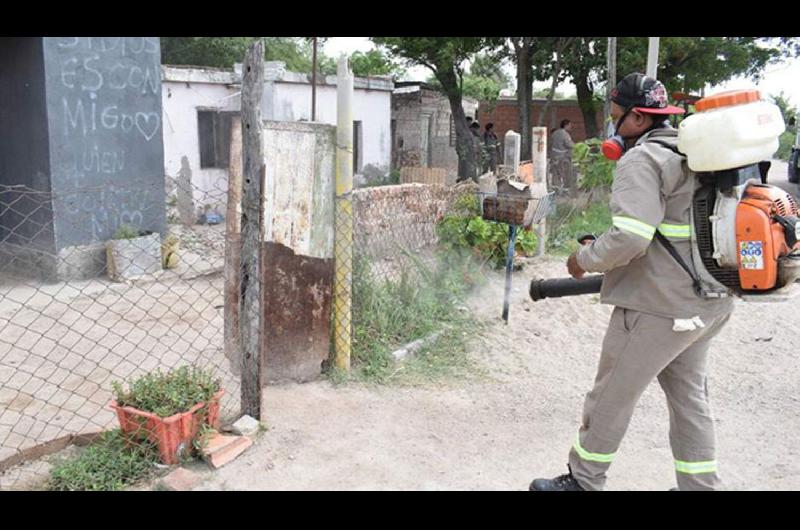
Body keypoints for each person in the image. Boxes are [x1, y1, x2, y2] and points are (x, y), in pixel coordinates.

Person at [529, 73, 735, 491]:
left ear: (639, 118)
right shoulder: (695, 154)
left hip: (657, 308)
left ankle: (583, 482)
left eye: (617, 116)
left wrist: (584, 259)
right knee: (691, 402)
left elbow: (632, 237)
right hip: (708, 301)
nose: (613, 124)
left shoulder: (642, 159)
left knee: (610, 398)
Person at [550, 119, 576, 196]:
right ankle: (565, 191)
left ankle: (555, 190)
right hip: (563, 158)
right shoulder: (565, 134)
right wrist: (577, 146)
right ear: (566, 125)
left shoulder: (555, 133)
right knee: (565, 174)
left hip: (554, 156)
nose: (571, 127)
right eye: (570, 125)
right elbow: (569, 145)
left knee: (555, 174)